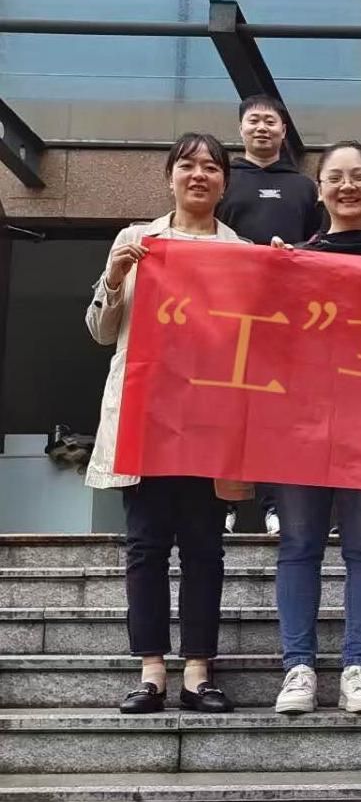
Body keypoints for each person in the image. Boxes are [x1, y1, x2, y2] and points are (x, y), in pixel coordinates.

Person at [86, 132, 243, 714]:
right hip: (146, 416)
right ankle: (151, 669)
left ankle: (199, 670)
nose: (198, 175)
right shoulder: (136, 240)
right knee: (146, 546)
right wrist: (112, 278)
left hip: (209, 420)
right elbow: (101, 332)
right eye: (187, 165)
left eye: (211, 167)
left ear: (225, 182)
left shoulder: (242, 251)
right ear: (169, 176)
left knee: (205, 547)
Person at [270, 141, 361, 717]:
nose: (347, 187)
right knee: (299, 545)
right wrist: (272, 276)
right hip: (301, 425)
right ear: (319, 189)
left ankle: (357, 665)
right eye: (335, 178)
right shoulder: (295, 258)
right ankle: (298, 667)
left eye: (358, 176)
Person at [215, 94, 320, 536]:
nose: (262, 128)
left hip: (287, 320)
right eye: (254, 121)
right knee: (230, 411)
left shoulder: (304, 186)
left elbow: (318, 245)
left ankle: (276, 504)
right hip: (229, 314)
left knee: (278, 413)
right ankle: (224, 504)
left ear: (284, 131)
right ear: (240, 128)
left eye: (270, 122)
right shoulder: (223, 180)